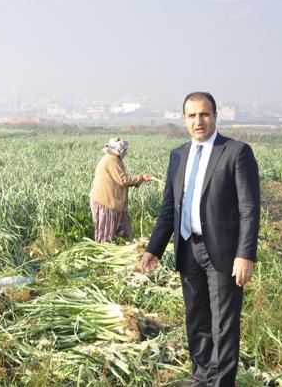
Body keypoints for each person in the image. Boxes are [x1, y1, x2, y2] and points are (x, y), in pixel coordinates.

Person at [140, 92, 260, 385]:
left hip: (223, 252)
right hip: (188, 249)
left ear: (215, 115)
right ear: (184, 119)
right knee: (196, 322)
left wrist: (245, 255)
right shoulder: (178, 155)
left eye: (204, 114)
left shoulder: (235, 152)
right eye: (192, 116)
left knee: (223, 326)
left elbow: (249, 208)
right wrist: (153, 249)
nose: (198, 121)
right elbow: (169, 208)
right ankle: (201, 379)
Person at [89, 138, 151, 243]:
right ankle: (104, 255)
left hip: (112, 202)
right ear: (117, 150)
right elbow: (123, 180)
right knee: (105, 237)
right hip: (105, 203)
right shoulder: (111, 160)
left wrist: (137, 181)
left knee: (123, 231)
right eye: (123, 150)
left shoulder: (112, 159)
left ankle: (120, 247)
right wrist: (140, 178)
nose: (125, 152)